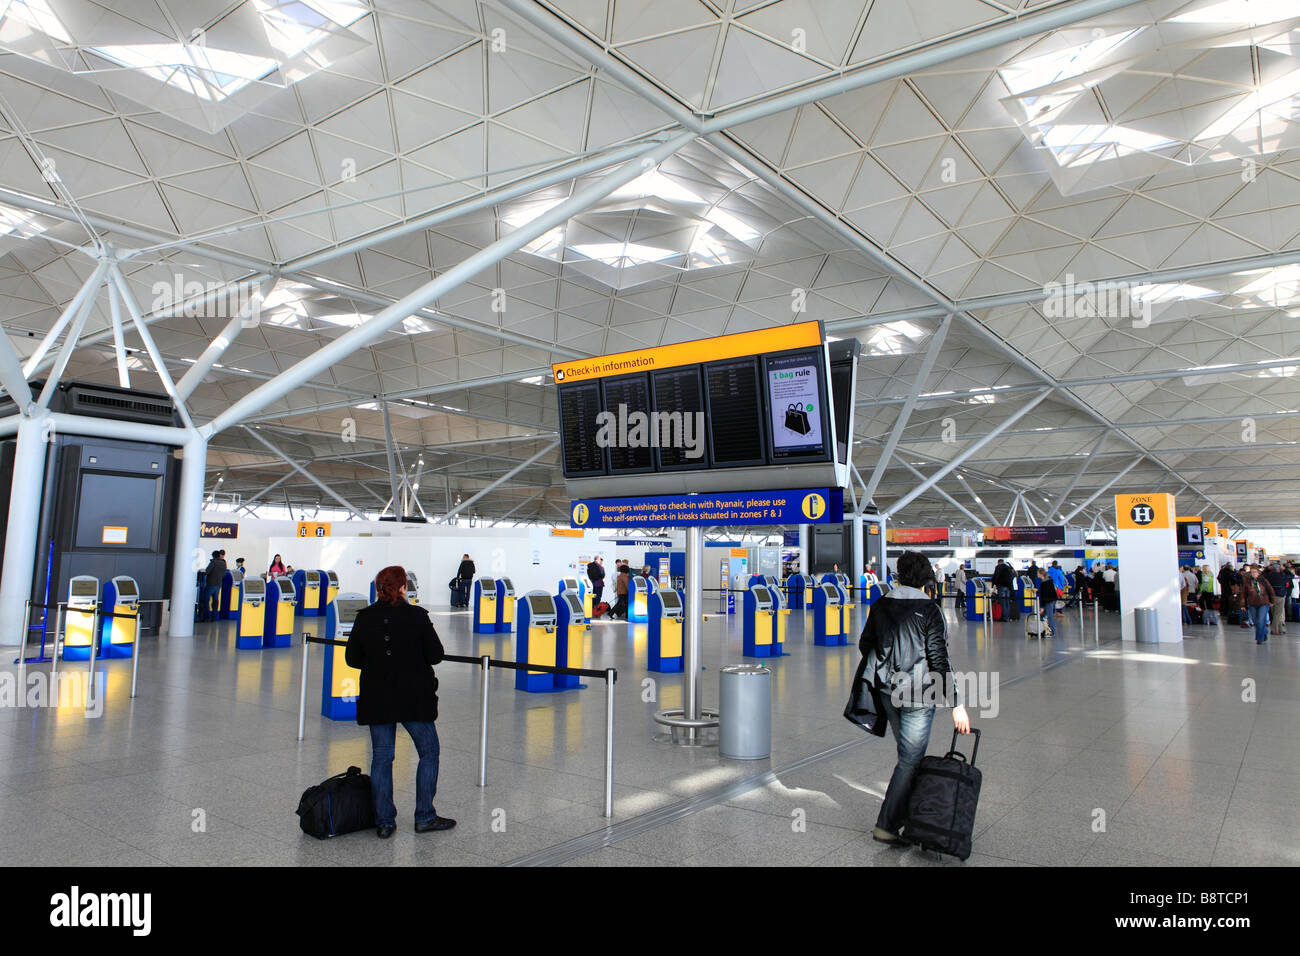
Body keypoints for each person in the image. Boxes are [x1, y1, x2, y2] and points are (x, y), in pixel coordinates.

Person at [858, 550, 969, 844]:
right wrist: (956, 704)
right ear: (926, 577)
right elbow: (938, 660)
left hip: (886, 692)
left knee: (908, 756)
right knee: (909, 760)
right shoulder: (929, 609)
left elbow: (865, 644)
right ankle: (886, 825)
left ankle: (910, 815)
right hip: (919, 695)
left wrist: (885, 665)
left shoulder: (881, 604)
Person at [344, 565, 455, 838]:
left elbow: (353, 659)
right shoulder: (417, 616)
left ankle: (384, 822)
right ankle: (425, 816)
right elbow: (435, 654)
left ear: (378, 589)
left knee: (382, 758)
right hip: (414, 698)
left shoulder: (365, 618)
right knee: (428, 752)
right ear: (404, 587)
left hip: (377, 697)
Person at [1241, 565, 1276, 645]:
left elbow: (1271, 591)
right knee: (1256, 621)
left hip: (1263, 603)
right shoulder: (1247, 582)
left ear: (1258, 573)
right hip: (1252, 604)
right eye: (1251, 572)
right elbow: (1243, 594)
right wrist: (1243, 605)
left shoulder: (1264, 581)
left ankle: (1259, 638)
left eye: (1255, 572)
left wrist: (1272, 601)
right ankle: (1264, 632)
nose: (1253, 574)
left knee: (1260, 620)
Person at [1263, 562, 1290, 636]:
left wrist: (1267, 569)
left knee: (1273, 613)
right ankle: (1274, 630)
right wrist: (1285, 569)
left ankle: (1280, 629)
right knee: (1278, 614)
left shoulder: (1268, 576)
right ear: (1279, 569)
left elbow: (1262, 575)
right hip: (1280, 596)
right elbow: (1291, 575)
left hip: (1270, 596)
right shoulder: (1282, 576)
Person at [201, 550, 225, 622]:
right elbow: (223, 574)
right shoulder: (223, 563)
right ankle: (214, 617)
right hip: (218, 584)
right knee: (215, 601)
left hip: (211, 584)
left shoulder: (213, 562)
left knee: (206, 600)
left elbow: (207, 572)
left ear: (214, 556)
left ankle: (207, 617)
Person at [1036, 567, 1058, 637]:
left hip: (1048, 601)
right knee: (1043, 616)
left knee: (1049, 617)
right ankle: (1045, 631)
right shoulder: (1049, 580)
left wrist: (1042, 607)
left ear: (1040, 574)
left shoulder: (1044, 583)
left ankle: (1052, 632)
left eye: (1037, 573)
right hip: (1051, 600)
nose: (1037, 574)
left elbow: (1044, 595)